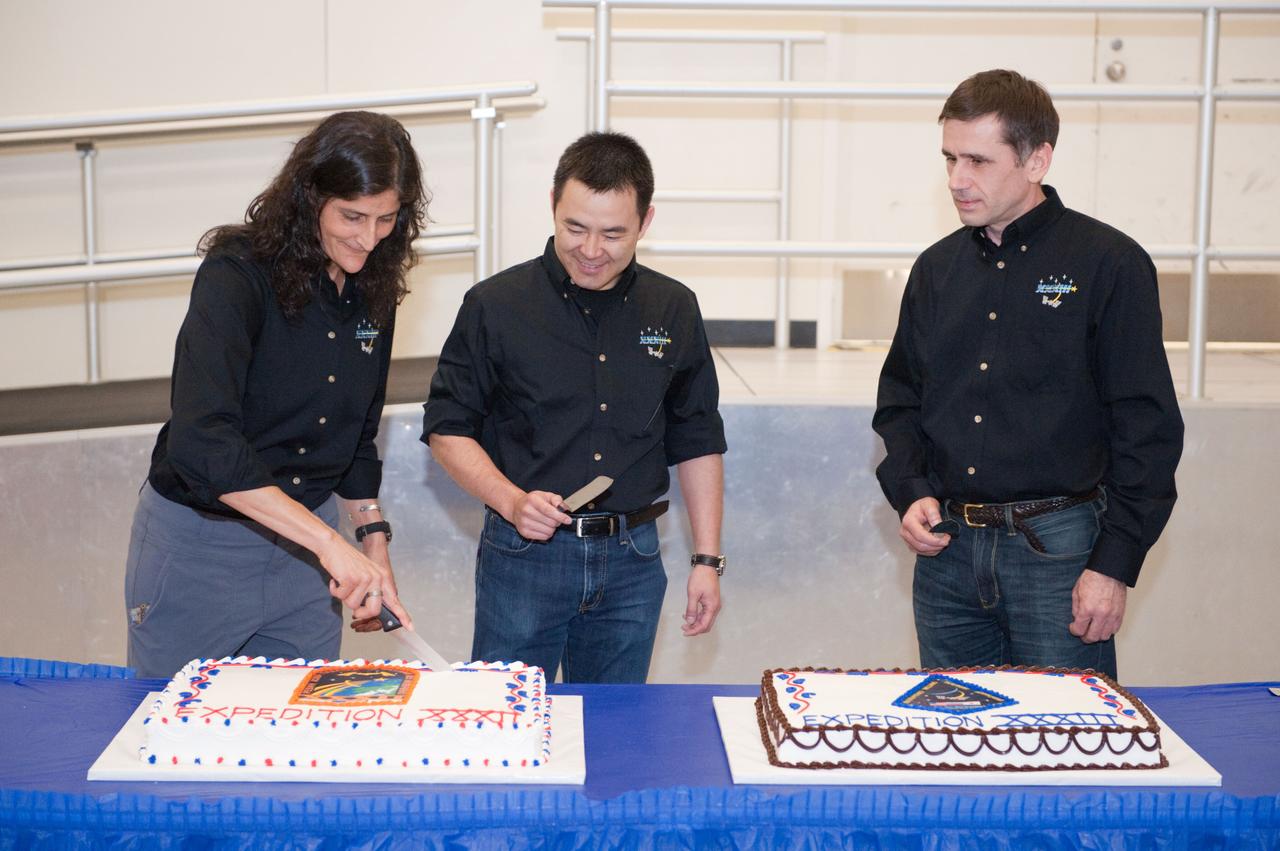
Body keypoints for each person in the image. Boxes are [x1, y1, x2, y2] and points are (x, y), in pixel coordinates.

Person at [872, 69, 1184, 679]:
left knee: (1069, 748)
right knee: (953, 748)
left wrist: (1113, 564)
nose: (958, 180)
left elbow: (1145, 430)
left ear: (1037, 160)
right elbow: (901, 401)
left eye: (978, 161)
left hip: (1062, 554)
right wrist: (911, 492)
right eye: (949, 159)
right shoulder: (936, 271)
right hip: (948, 553)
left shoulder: (1110, 265)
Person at [124, 111, 427, 679]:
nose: (368, 238)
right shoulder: (237, 275)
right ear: (309, 197)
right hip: (202, 549)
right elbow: (202, 440)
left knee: (299, 731)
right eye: (352, 216)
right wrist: (328, 545)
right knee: (171, 736)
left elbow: (357, 434)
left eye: (386, 219)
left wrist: (371, 544)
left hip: (304, 564)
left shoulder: (374, 285)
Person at [421, 131, 726, 684]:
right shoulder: (495, 305)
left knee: (613, 735)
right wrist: (512, 502)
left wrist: (707, 560)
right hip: (525, 556)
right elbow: (446, 429)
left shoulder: (674, 307)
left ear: (646, 221)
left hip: (633, 560)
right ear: (553, 205)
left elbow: (698, 437)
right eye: (575, 228)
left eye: (613, 233)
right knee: (507, 727)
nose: (591, 250)